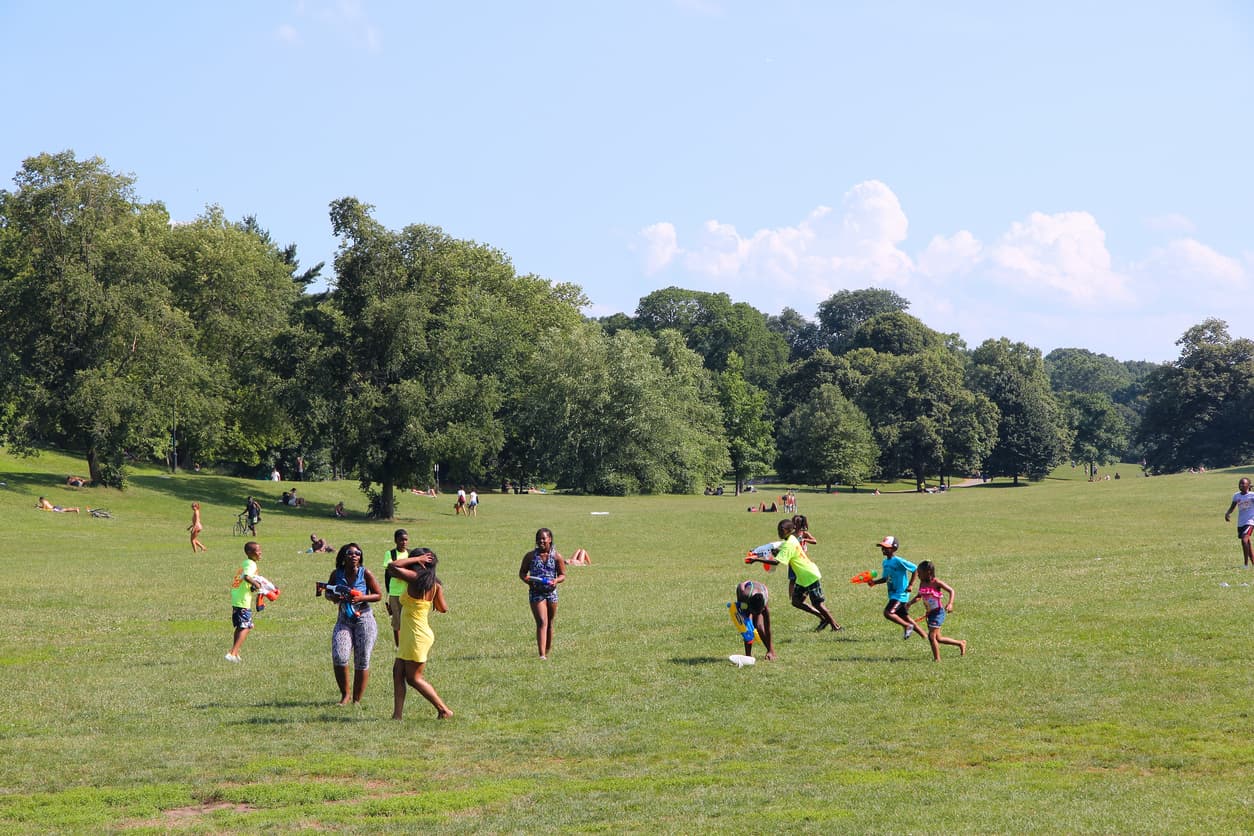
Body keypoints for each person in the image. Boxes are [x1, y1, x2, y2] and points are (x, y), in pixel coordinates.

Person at [384, 550, 452, 720]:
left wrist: (416, 558)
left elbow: (392, 566)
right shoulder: (435, 584)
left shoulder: (415, 578)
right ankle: (397, 715)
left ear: (420, 564)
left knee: (414, 678)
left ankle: (444, 710)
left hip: (416, 636)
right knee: (398, 671)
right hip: (413, 634)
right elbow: (443, 608)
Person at [745, 518, 841, 632]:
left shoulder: (789, 543)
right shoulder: (791, 539)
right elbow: (783, 553)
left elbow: (776, 562)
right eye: (778, 529)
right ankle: (822, 618)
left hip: (809, 574)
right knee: (796, 601)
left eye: (782, 530)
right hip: (802, 576)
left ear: (788, 530)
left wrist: (756, 560)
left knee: (818, 603)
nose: (779, 532)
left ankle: (836, 626)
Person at [324, 543, 382, 705]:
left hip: (364, 618)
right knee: (340, 655)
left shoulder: (365, 573)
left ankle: (356, 700)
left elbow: (378, 595)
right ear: (343, 556)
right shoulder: (337, 574)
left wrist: (361, 598)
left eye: (358, 553)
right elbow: (328, 592)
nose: (354, 556)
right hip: (344, 619)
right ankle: (345, 695)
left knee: (362, 659)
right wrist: (333, 597)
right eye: (350, 553)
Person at [865, 536, 927, 642]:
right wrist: (874, 582)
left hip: (900, 594)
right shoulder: (885, 562)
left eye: (886, 547)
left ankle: (907, 626)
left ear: (894, 548)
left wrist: (911, 585)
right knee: (905, 617)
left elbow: (915, 569)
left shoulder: (898, 561)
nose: (883, 549)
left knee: (888, 613)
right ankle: (924, 636)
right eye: (882, 547)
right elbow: (886, 578)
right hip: (893, 594)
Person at [519, 527, 566, 659]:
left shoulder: (556, 556)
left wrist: (556, 580)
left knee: (549, 623)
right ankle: (542, 655)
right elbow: (522, 573)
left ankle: (547, 650)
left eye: (544, 538)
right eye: (539, 538)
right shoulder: (530, 556)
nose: (541, 541)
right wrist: (527, 580)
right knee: (541, 621)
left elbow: (563, 575)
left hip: (551, 593)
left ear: (550, 539)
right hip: (536, 592)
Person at [907, 560, 966, 661]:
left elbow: (951, 590)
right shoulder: (922, 583)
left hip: (938, 613)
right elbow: (919, 596)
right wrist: (909, 603)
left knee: (931, 637)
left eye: (920, 573)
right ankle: (960, 643)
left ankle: (937, 660)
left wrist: (950, 603)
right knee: (938, 638)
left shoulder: (936, 582)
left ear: (928, 572)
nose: (918, 575)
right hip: (930, 614)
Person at [226, 541, 263, 662]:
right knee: (247, 626)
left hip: (238, 597)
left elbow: (244, 579)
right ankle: (232, 653)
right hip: (242, 599)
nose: (260, 552)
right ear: (249, 553)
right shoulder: (251, 564)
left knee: (240, 626)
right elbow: (247, 577)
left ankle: (235, 653)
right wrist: (257, 584)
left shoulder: (246, 563)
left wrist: (252, 587)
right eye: (258, 551)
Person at [734, 579, 776, 661]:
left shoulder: (765, 607)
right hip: (747, 587)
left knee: (758, 626)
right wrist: (741, 609)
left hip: (762, 589)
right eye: (754, 612)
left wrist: (771, 650)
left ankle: (770, 651)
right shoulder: (744, 595)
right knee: (748, 628)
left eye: (758, 612)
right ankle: (748, 656)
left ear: (763, 608)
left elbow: (767, 629)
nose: (755, 614)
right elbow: (740, 586)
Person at [382, 529, 411, 646]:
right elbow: (390, 570)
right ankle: (398, 646)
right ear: (395, 541)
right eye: (401, 540)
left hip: (408, 592)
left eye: (406, 540)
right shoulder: (390, 554)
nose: (403, 542)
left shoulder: (411, 553)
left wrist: (398, 571)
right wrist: (405, 574)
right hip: (394, 592)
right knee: (396, 621)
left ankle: (408, 644)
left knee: (409, 620)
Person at [1224, 477, 1254, 568]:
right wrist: (1228, 513)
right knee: (1247, 543)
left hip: (1251, 521)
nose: (1241, 485)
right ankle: (1253, 562)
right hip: (1241, 522)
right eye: (1240, 483)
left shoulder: (1252, 495)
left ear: (1248, 486)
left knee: (1244, 541)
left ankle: (1245, 565)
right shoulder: (1236, 496)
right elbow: (1232, 507)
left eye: (1243, 484)